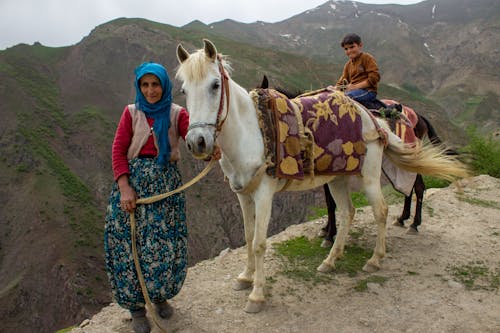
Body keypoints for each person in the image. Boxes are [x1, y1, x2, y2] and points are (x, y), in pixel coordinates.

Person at [104, 62, 190, 333]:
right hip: (135, 191)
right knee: (130, 249)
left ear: (164, 85)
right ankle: (136, 308)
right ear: (139, 86)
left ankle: (158, 295)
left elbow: (196, 138)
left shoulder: (178, 114)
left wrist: (210, 148)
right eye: (145, 85)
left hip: (166, 192)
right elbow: (118, 152)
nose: (151, 90)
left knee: (164, 246)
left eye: (155, 84)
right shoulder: (131, 113)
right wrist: (125, 189)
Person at [335, 33, 381, 108]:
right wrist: (333, 89)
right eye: (346, 49)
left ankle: (376, 106)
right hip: (353, 92)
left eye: (352, 47)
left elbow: (374, 77)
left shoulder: (367, 58)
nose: (349, 51)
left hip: (368, 91)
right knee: (333, 97)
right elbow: (341, 81)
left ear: (360, 45)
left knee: (345, 98)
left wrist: (355, 86)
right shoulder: (348, 65)